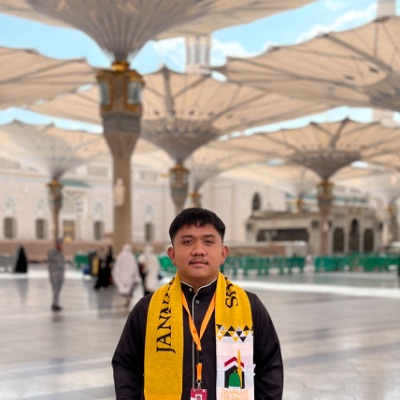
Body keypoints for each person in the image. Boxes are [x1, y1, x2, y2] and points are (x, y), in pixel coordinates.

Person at [112, 208, 283, 400]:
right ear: (172, 254)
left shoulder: (248, 306)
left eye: (208, 242)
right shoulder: (148, 309)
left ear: (223, 253)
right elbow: (126, 365)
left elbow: (270, 366)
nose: (198, 250)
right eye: (187, 242)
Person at [48, 238, 65, 312]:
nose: (60, 245)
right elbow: (55, 261)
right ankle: (55, 304)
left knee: (58, 290)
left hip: (60, 273)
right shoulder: (52, 252)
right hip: (54, 273)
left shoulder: (61, 252)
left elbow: (62, 262)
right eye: (59, 244)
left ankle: (56, 303)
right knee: (55, 290)